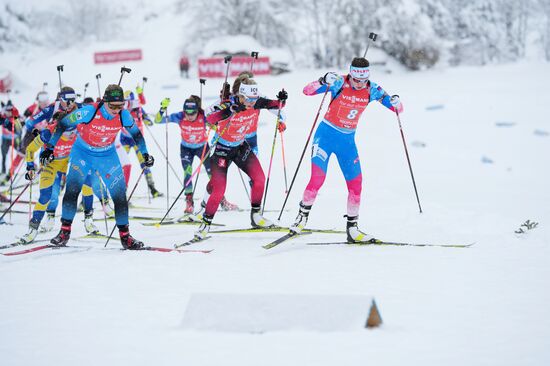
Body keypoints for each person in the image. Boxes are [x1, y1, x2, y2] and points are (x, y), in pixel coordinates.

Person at [289, 57, 403, 243]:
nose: (359, 84)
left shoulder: (373, 89)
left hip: (347, 142)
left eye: (363, 80)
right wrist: (322, 80)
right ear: (351, 74)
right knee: (318, 178)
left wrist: (396, 103)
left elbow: (397, 108)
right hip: (325, 136)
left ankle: (352, 229)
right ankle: (301, 217)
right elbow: (306, 91)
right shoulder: (339, 82)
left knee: (356, 184)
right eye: (356, 80)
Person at [39, 84, 155, 249]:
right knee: (72, 190)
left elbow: (136, 134)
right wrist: (49, 148)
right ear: (104, 101)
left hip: (107, 155)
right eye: (113, 106)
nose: (116, 110)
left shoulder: (124, 115)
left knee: (120, 195)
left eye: (120, 105)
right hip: (82, 153)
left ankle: (125, 237)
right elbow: (64, 123)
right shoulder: (89, 111)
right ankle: (64, 232)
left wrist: (145, 154)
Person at [192, 77, 287, 239]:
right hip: (222, 149)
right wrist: (230, 111)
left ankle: (256, 216)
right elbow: (209, 117)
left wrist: (282, 100)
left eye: (254, 99)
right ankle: (205, 223)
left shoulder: (256, 102)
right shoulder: (229, 103)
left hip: (240, 147)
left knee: (260, 179)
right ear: (241, 95)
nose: (252, 103)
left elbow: (275, 105)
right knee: (219, 188)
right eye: (249, 99)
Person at [20, 90, 99, 243]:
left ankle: (89, 220)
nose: (71, 135)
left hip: (70, 160)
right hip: (53, 163)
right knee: (46, 196)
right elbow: (30, 149)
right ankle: (32, 229)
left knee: (87, 182)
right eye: (68, 132)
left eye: (73, 131)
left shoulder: (77, 130)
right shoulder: (49, 133)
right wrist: (30, 167)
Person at [154, 95, 238, 215]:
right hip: (186, 149)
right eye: (187, 113)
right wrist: (163, 108)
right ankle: (189, 202)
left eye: (192, 113)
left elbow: (218, 126)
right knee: (188, 172)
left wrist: (225, 125)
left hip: (202, 148)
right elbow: (157, 120)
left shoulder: (203, 117)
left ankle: (222, 200)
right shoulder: (180, 116)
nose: (189, 116)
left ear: (197, 111)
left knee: (212, 174)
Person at [0, 101, 22, 182]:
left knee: (21, 152)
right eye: (7, 111)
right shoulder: (3, 115)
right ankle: (3, 171)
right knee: (4, 155)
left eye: (10, 111)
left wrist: (16, 121)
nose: (8, 113)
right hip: (5, 138)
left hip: (14, 139)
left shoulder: (15, 115)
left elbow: (19, 127)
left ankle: (33, 165)